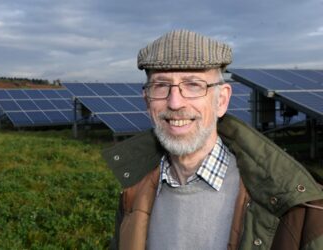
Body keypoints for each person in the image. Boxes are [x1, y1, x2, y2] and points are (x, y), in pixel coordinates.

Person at [102, 29, 323, 250]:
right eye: (161, 85)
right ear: (147, 101)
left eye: (193, 85)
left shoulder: (296, 205)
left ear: (222, 100)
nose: (175, 102)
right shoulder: (134, 191)